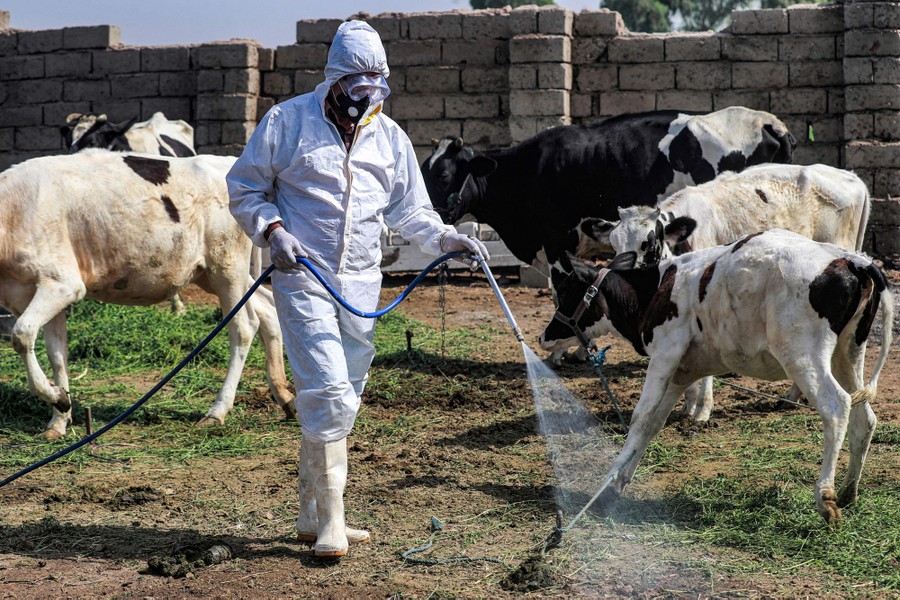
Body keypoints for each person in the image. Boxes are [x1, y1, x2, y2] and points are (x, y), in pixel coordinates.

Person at [227, 20, 489, 558]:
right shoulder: (288, 122)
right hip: (304, 276)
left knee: (343, 393)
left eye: (376, 84)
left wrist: (445, 237)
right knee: (326, 390)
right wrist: (273, 231)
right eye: (356, 83)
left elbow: (410, 208)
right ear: (335, 80)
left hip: (362, 284)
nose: (365, 95)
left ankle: (309, 512)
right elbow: (245, 188)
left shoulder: (388, 136)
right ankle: (332, 525)